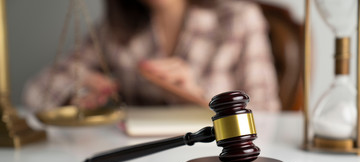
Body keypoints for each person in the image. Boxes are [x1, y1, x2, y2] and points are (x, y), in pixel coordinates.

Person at [23, 0, 280, 111]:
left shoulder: (239, 19)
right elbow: (34, 94)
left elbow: (268, 114)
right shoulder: (115, 30)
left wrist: (199, 95)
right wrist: (78, 88)